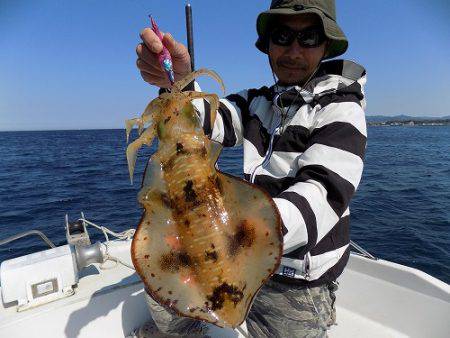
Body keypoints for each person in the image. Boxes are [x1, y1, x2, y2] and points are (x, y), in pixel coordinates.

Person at [134, 0, 367, 337]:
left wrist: (234, 237)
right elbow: (210, 121)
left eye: (310, 37)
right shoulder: (257, 102)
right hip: (227, 250)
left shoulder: (341, 109)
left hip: (294, 279)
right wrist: (180, 82)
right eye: (283, 35)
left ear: (326, 44)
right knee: (166, 304)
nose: (294, 50)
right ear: (269, 43)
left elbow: (323, 193)